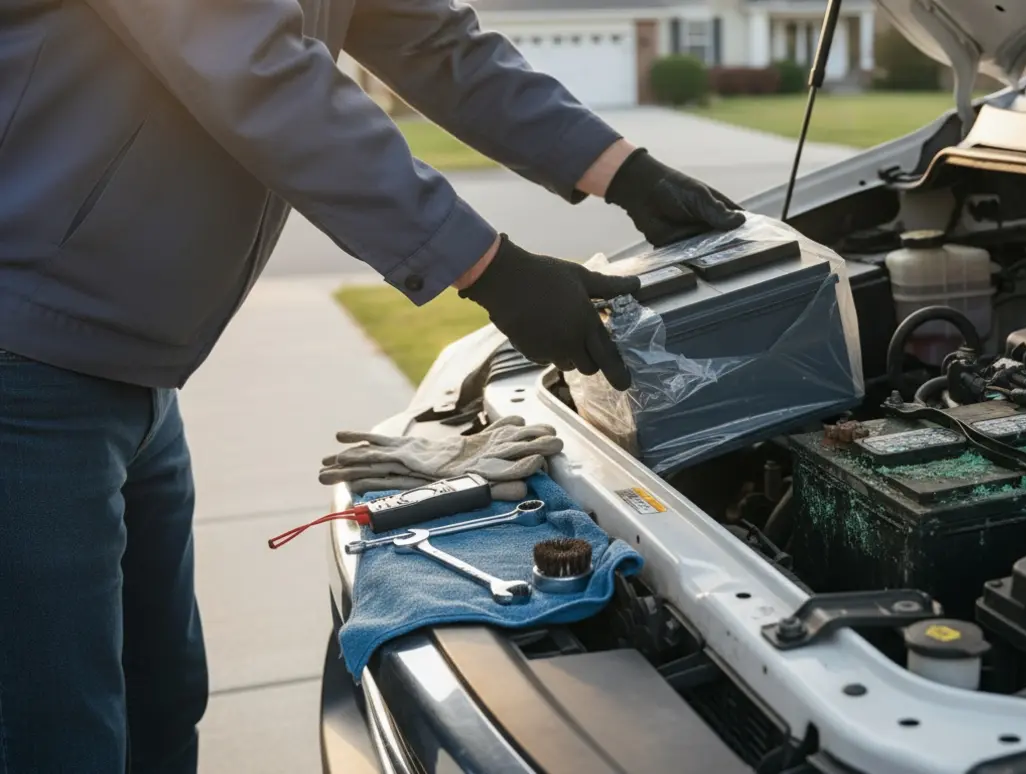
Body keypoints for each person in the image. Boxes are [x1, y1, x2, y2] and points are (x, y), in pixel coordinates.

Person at [0, 0, 745, 770]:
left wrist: (625, 170)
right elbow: (254, 71)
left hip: (123, 366)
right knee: (58, 735)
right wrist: (491, 268)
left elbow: (430, 38)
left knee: (160, 702)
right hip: (25, 360)